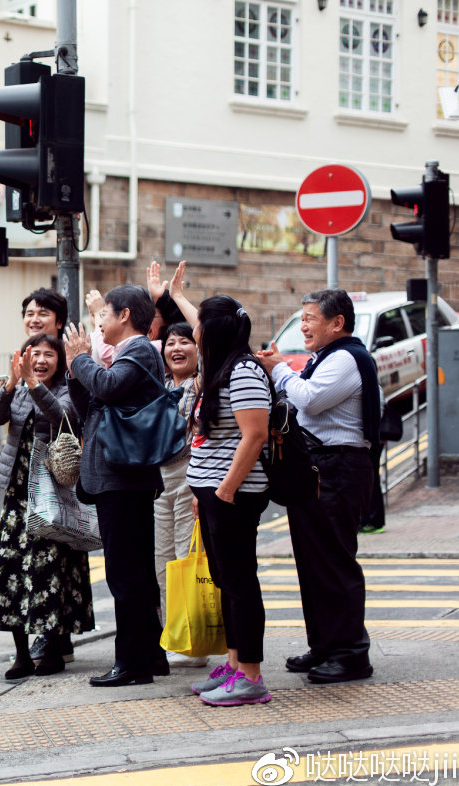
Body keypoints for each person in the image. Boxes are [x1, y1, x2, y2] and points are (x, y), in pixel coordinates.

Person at [256, 289, 379, 684]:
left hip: (337, 466)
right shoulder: (327, 357)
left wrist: (279, 370)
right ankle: (325, 646)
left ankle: (350, 655)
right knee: (313, 562)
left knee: (333, 561)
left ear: (337, 322)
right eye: (302, 317)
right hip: (319, 466)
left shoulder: (346, 358)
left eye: (310, 318)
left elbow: (309, 400)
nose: (303, 325)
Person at [63, 285, 166, 687]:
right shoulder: (129, 354)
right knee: (136, 571)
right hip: (123, 476)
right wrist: (78, 369)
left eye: (103, 314)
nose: (99, 322)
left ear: (124, 315)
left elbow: (104, 386)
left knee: (125, 573)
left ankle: (132, 663)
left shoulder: (138, 349)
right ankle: (150, 655)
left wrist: (79, 359)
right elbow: (91, 400)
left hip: (122, 477)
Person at [178, 295, 273, 706]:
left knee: (239, 583)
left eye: (199, 325)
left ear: (211, 332)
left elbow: (255, 435)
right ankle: (234, 667)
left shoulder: (244, 371)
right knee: (225, 581)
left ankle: (250, 676)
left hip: (232, 494)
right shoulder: (220, 368)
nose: (193, 331)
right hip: (212, 492)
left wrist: (226, 489)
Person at [0, 334, 95, 680]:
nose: (42, 359)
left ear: (59, 360)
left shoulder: (67, 387)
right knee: (12, 570)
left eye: (49, 354)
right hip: (17, 492)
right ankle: (21, 654)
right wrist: (12, 384)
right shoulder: (17, 386)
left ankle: (52, 647)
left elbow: (65, 414)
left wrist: (34, 385)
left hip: (51, 492)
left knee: (50, 570)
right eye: (35, 354)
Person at [153, 320, 206, 669]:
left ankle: (195, 642)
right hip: (158, 478)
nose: (176, 348)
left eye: (185, 342)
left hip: (190, 475)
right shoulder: (156, 385)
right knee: (162, 563)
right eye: (170, 342)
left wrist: (176, 296)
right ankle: (174, 634)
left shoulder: (201, 383)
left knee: (188, 560)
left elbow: (207, 335)